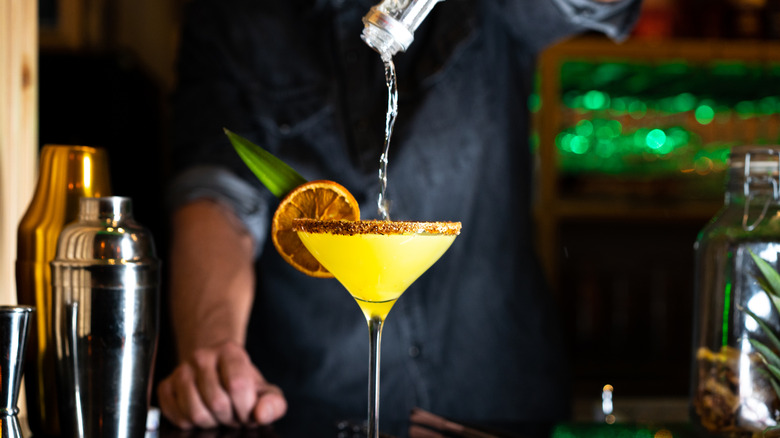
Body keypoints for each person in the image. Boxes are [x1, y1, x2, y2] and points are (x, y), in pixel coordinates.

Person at [157, 0, 641, 433]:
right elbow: (216, 196)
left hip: (498, 394)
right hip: (317, 403)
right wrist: (215, 348)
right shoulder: (233, 18)